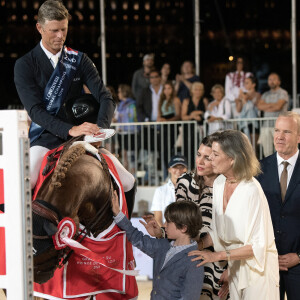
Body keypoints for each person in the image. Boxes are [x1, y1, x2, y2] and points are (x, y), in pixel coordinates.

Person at [14, 0, 115, 190]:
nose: (61, 36)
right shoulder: (24, 65)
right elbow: (35, 111)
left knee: (127, 181)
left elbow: (105, 97)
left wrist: (100, 130)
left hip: (82, 138)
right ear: (39, 28)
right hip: (45, 138)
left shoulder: (79, 59)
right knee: (26, 182)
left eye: (64, 29)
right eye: (54, 30)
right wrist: (70, 130)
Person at [189, 130, 279, 299]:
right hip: (235, 265)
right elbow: (218, 233)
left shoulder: (251, 190)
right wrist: (196, 246)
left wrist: (217, 256)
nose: (210, 159)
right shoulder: (219, 183)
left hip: (259, 270)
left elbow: (257, 246)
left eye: (215, 154)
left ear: (232, 159)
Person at [112, 193, 204, 300]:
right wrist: (118, 213)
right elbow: (136, 237)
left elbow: (189, 298)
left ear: (183, 228)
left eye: (168, 222)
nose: (164, 225)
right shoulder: (163, 245)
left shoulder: (194, 261)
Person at [176, 136, 229, 300]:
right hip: (192, 261)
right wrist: (160, 232)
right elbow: (180, 227)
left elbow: (236, 234)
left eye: (207, 157)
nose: (200, 161)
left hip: (222, 262)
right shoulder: (185, 182)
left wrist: (232, 269)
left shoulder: (230, 186)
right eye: (199, 154)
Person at [257, 112, 300, 300]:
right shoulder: (258, 169)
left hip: (298, 265)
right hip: (266, 265)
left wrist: (299, 256)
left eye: (287, 132)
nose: (279, 137)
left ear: (299, 137)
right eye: (276, 130)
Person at [256, 72, 288, 157]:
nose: (271, 81)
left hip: (279, 127)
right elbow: (259, 106)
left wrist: (266, 105)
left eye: (274, 79)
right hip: (266, 126)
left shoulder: (283, 92)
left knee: (280, 151)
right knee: (267, 152)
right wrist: (273, 105)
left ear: (279, 82)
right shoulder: (265, 94)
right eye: (270, 79)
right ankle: (271, 169)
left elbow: (278, 106)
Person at [151, 155, 188, 227]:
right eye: (175, 167)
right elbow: (158, 219)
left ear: (186, 169)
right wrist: (164, 235)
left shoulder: (192, 189)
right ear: (169, 169)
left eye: (181, 167)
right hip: (167, 234)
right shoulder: (160, 191)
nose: (178, 171)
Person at [182, 81, 209, 172]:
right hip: (189, 129)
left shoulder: (204, 101)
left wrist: (199, 113)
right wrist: (192, 116)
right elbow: (183, 116)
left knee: (200, 148)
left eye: (200, 89)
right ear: (192, 91)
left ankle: (199, 169)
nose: (198, 91)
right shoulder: (186, 101)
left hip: (201, 129)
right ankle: (189, 169)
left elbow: (207, 114)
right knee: (188, 148)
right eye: (196, 89)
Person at [157, 81, 181, 172]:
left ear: (172, 89)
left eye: (169, 88)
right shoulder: (161, 100)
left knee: (169, 149)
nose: (167, 91)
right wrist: (160, 119)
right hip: (163, 127)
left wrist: (167, 120)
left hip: (172, 127)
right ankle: (165, 171)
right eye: (165, 88)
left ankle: (171, 170)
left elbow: (178, 115)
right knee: (162, 150)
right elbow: (159, 114)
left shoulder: (175, 99)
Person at [116, 84, 137, 174]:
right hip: (121, 133)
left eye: (119, 92)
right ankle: (126, 173)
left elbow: (132, 117)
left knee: (131, 154)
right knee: (124, 154)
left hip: (130, 132)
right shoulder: (120, 105)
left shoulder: (132, 104)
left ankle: (133, 173)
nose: (118, 94)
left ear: (124, 92)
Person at [235, 75, 260, 151]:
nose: (245, 85)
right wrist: (239, 100)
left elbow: (253, 103)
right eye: (244, 83)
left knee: (253, 148)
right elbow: (238, 109)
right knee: (244, 149)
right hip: (244, 124)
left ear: (253, 84)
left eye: (247, 83)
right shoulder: (243, 95)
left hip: (253, 123)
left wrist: (243, 96)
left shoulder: (257, 94)